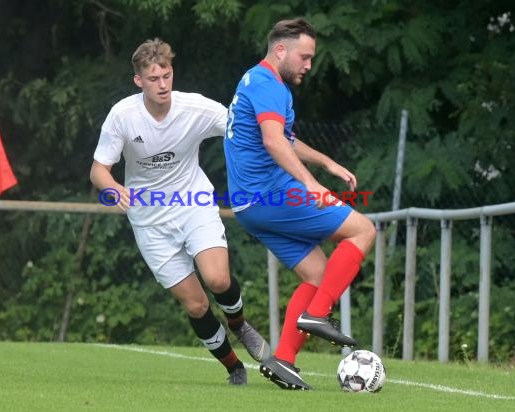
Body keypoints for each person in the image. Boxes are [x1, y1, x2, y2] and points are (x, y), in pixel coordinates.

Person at [90, 38, 270, 385]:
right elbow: (98, 169)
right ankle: (234, 368)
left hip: (193, 204)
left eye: (167, 76)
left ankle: (239, 324)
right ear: (138, 81)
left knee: (217, 278)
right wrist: (114, 188)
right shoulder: (123, 116)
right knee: (196, 305)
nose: (163, 85)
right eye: (154, 78)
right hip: (149, 221)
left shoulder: (196, 108)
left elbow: (242, 131)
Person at [223, 18, 376, 390]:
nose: (309, 65)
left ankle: (284, 361)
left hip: (251, 206)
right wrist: (311, 185)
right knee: (363, 230)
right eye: (304, 57)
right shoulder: (269, 86)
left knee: (317, 273)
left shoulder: (256, 80)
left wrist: (325, 162)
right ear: (281, 50)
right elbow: (274, 142)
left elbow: (285, 139)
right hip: (271, 195)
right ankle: (319, 313)